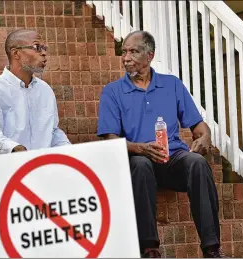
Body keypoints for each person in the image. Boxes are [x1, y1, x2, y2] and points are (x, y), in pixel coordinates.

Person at [97, 31, 227, 258]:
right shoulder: (113, 92)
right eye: (124, 51)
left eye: (133, 51)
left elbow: (199, 127)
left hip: (172, 159)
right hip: (136, 163)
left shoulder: (172, 85)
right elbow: (109, 140)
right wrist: (140, 147)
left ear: (149, 55)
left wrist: (204, 139)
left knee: (196, 162)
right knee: (141, 164)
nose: (126, 57)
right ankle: (148, 248)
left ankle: (212, 248)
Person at [0, 29, 70, 156]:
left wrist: (69, 150)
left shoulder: (45, 90)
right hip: (6, 171)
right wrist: (15, 149)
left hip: (41, 170)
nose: (44, 53)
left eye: (44, 48)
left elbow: (52, 131)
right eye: (37, 47)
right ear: (16, 53)